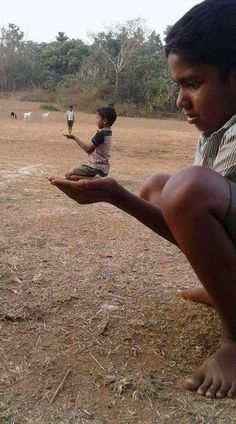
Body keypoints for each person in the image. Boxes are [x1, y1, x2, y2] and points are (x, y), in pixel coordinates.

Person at [49, 0, 236, 399]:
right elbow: (191, 221)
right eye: (178, 85)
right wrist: (118, 197)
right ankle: (227, 290)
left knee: (188, 189)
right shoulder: (217, 130)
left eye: (193, 83)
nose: (180, 101)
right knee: (157, 186)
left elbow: (195, 203)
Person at [64, 106, 117, 180]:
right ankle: (96, 179)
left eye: (98, 118)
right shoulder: (108, 132)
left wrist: (74, 138)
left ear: (104, 120)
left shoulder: (101, 134)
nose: (96, 120)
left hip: (96, 168)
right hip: (104, 169)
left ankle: (96, 180)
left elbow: (88, 149)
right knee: (74, 175)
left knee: (68, 175)